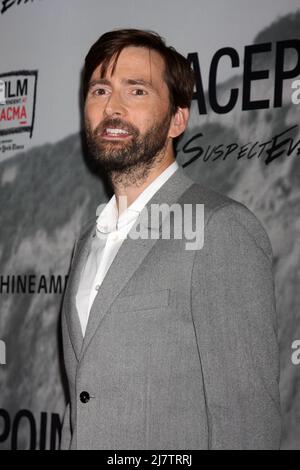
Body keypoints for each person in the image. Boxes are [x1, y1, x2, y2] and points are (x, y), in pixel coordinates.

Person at [60, 29, 281, 450]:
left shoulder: (220, 228)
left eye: (137, 90)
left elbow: (248, 423)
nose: (112, 107)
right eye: (100, 90)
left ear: (178, 119)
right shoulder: (87, 240)